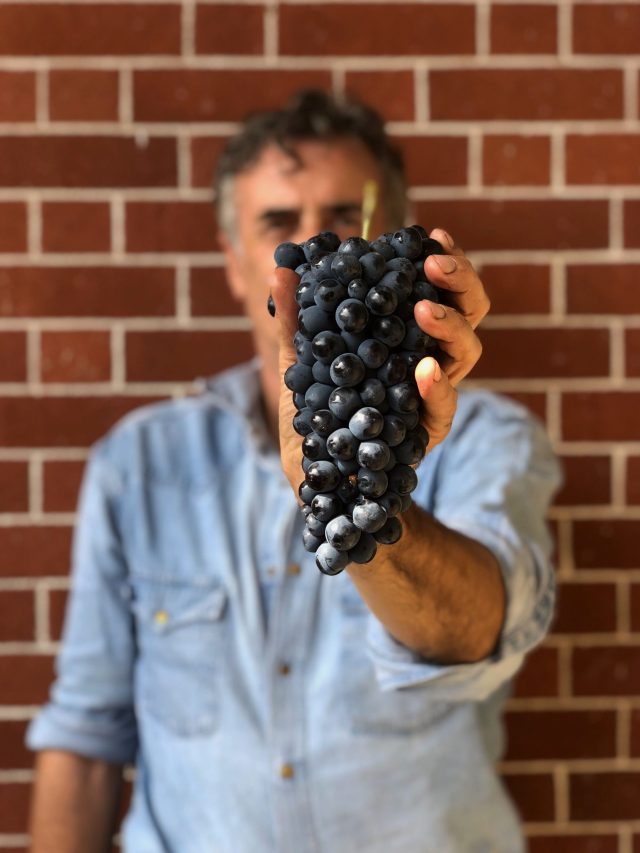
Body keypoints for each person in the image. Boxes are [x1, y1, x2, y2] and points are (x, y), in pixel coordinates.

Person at [26, 89, 561, 853]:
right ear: (234, 264)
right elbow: (86, 737)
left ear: (393, 241)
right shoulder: (138, 463)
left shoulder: (485, 437)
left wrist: (362, 485)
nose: (317, 247)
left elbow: (474, 634)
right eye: (280, 224)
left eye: (344, 217)